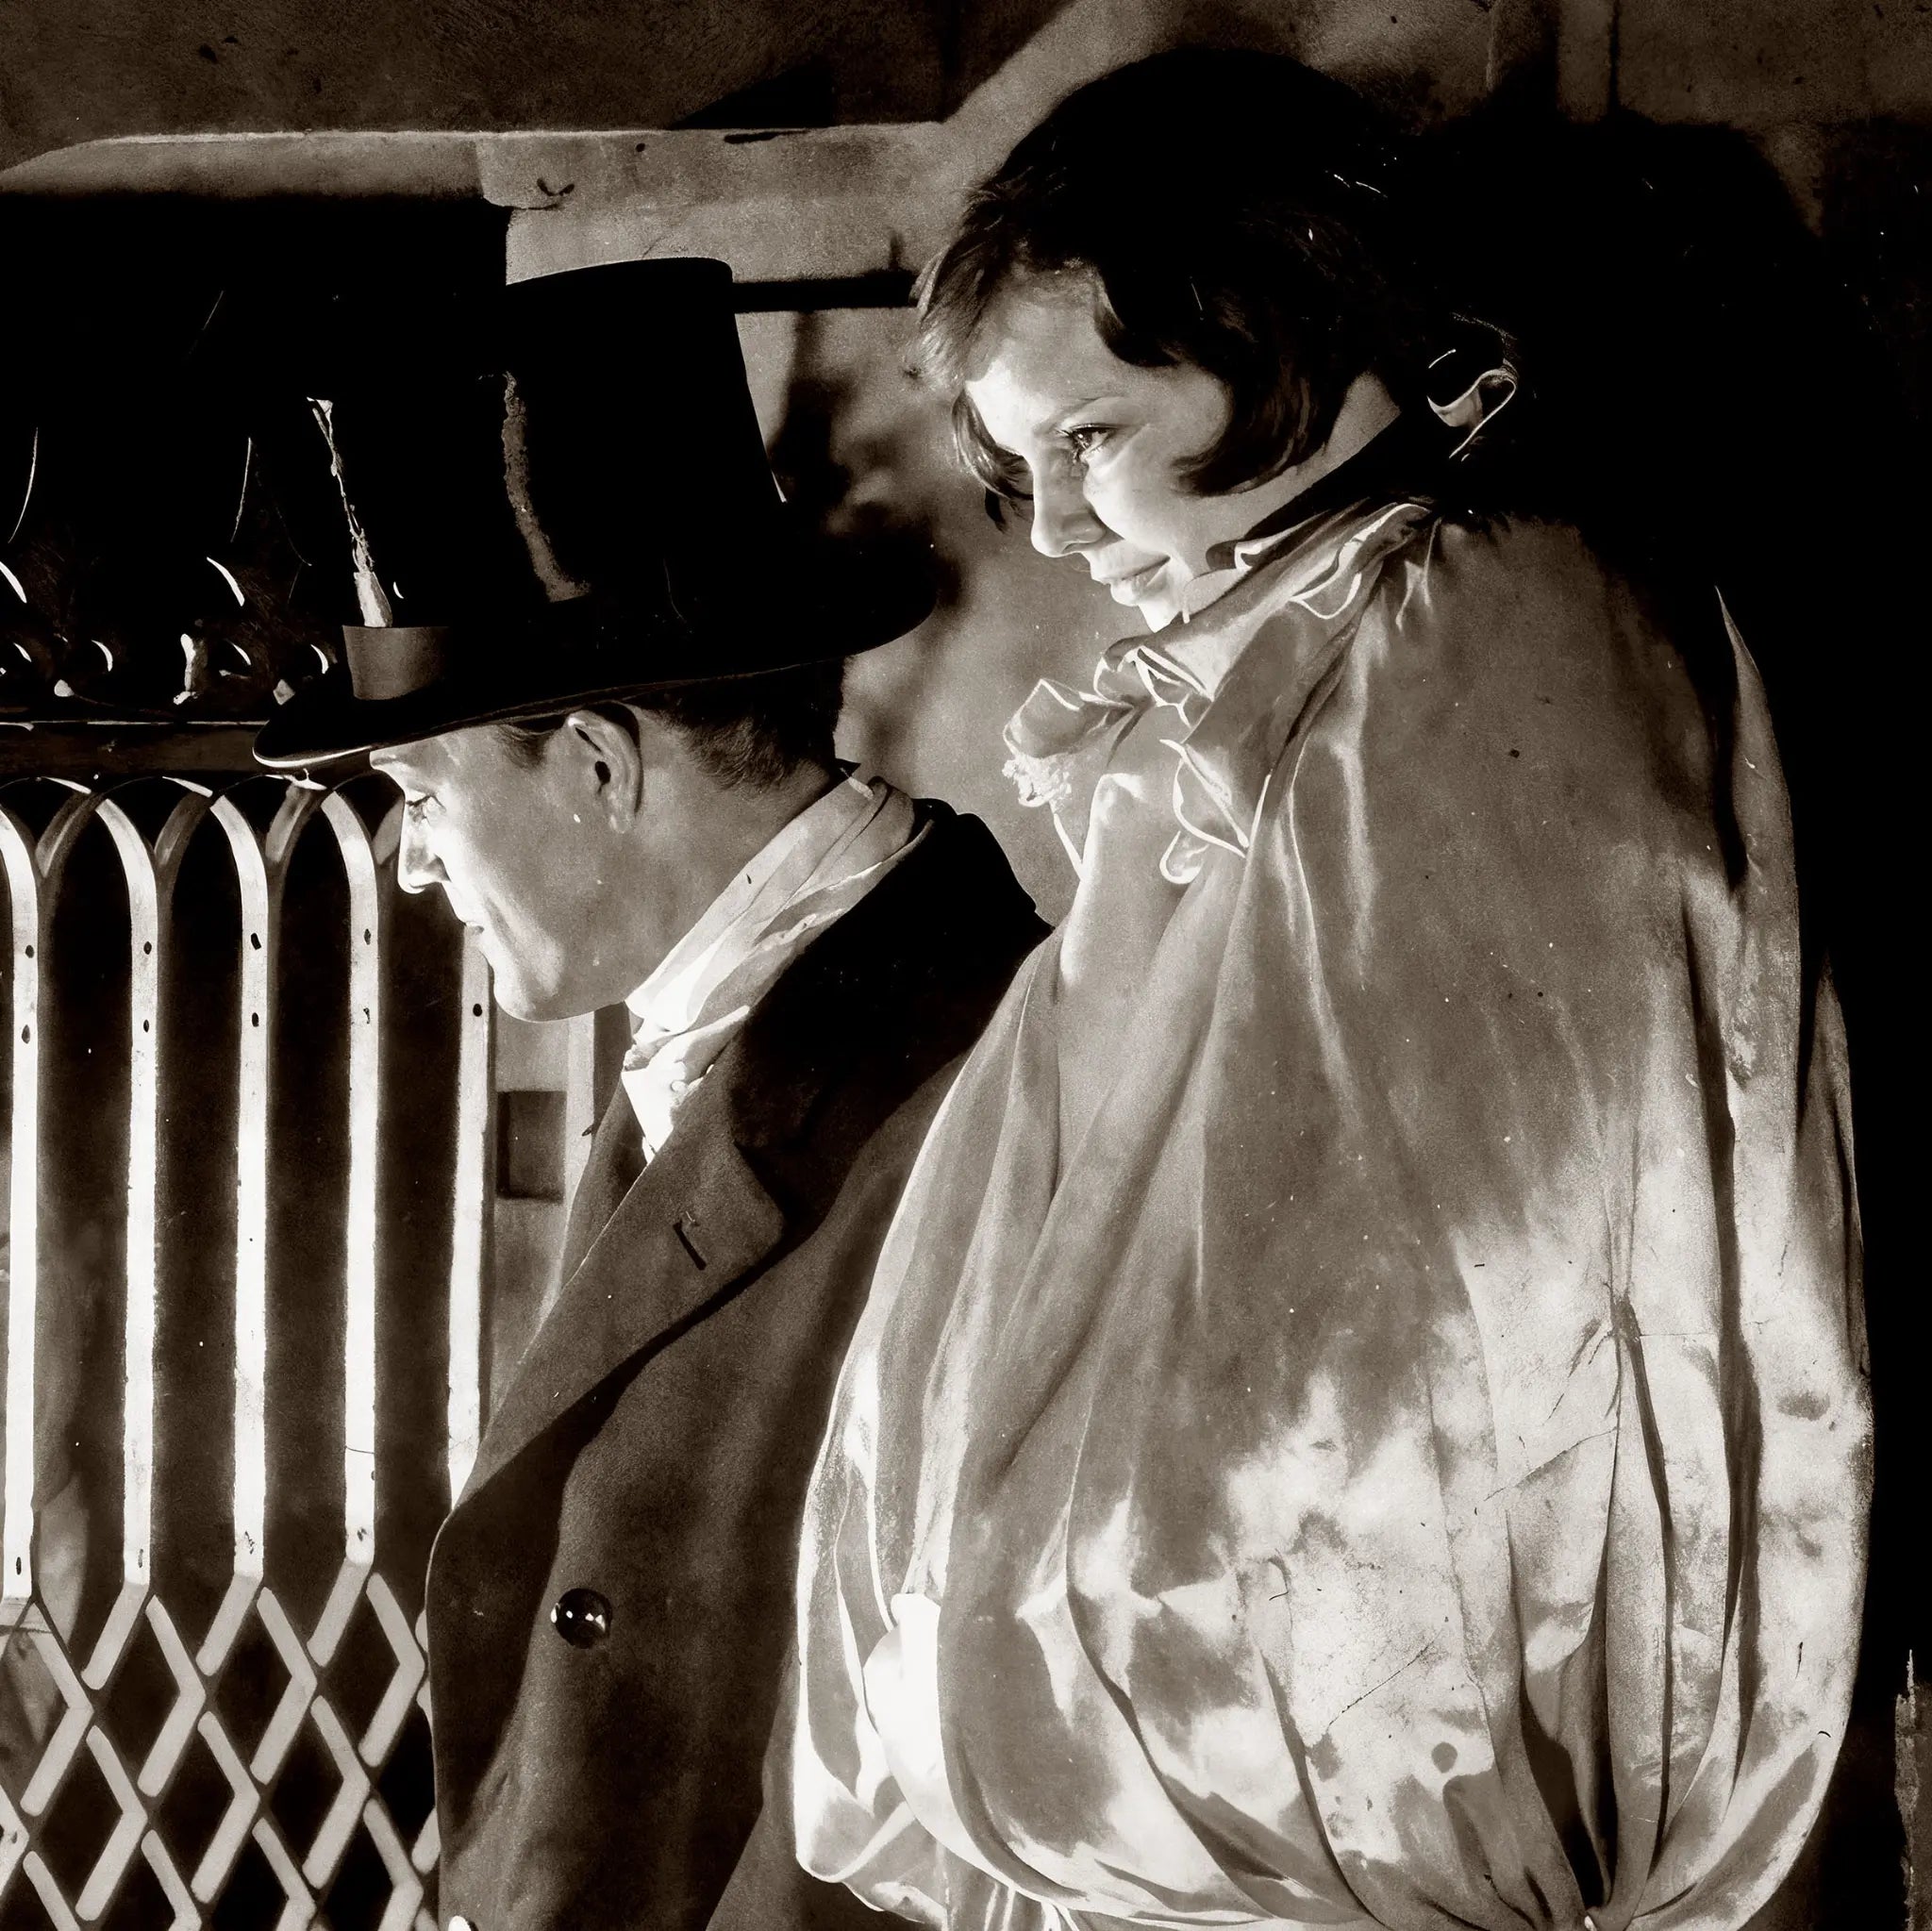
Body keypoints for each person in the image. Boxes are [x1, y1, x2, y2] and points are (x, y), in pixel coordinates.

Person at [741, 50, 1872, 1931]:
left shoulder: (1462, 625)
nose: (1062, 528)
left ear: (1288, 336)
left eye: (1095, 435)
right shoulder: (1282, 647)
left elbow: (1462, 1334)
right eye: (1019, 469)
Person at [252, 258, 1045, 1931]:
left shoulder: (984, 1080)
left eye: (419, 792)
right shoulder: (742, 1028)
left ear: (605, 767)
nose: (410, 866)